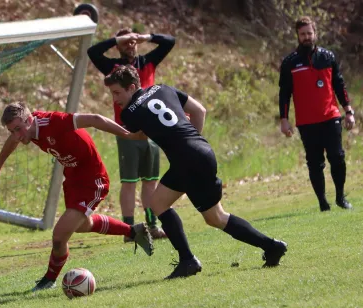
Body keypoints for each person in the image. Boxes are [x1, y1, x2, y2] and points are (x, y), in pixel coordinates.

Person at [104, 65, 288, 279]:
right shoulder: (163, 88)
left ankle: (188, 260)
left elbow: (137, 137)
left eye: (117, 92)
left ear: (132, 87)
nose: (115, 99)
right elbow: (200, 110)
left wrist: (103, 125)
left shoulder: (129, 112)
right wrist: (192, 141)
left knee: (171, 207)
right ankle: (271, 246)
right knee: (210, 216)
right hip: (202, 151)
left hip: (186, 160)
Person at [0, 102, 154, 291]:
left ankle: (48, 280)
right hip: (72, 180)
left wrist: (128, 135)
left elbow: (95, 119)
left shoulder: (54, 122)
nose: (16, 136)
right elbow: (13, 141)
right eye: (12, 131)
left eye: (18, 129)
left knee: (59, 236)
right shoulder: (27, 131)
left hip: (92, 179)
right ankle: (133, 231)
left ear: (30, 120)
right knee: (81, 225)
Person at [88, 28, 176, 241]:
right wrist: (117, 39)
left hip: (152, 130)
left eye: (132, 42)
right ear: (118, 46)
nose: (130, 45)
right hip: (127, 131)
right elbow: (93, 52)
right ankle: (129, 230)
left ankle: (152, 225)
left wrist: (146, 37)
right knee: (129, 181)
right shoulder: (113, 68)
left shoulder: (148, 61)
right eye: (125, 43)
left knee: (150, 181)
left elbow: (169, 41)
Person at [279, 16, 356, 211]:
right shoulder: (290, 62)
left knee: (337, 157)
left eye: (309, 33)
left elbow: (339, 85)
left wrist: (348, 111)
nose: (306, 37)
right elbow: (284, 94)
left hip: (331, 117)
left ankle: (340, 197)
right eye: (303, 34)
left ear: (315, 34)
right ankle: (323, 202)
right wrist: (284, 120)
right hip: (306, 122)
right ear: (298, 35)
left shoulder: (328, 57)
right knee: (315, 163)